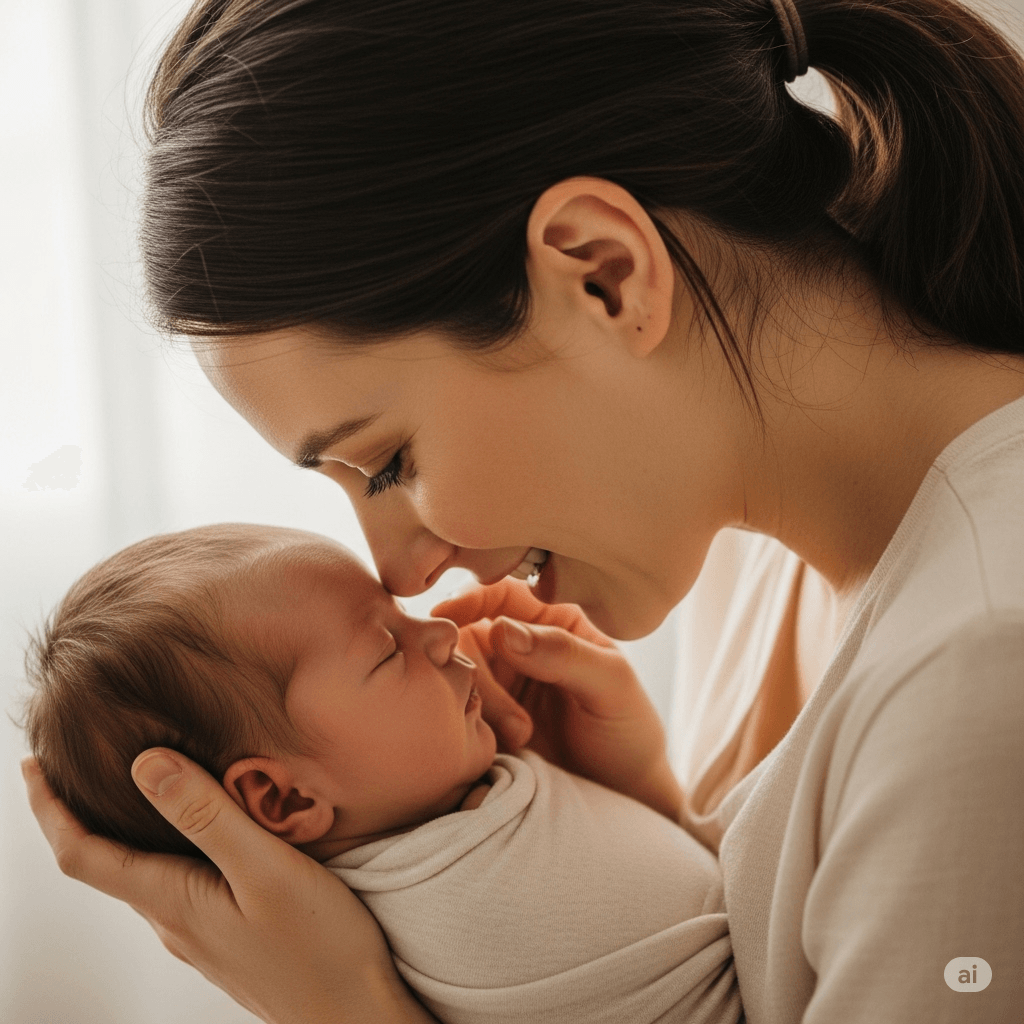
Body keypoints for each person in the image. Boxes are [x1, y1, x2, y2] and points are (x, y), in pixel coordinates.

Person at [22, 0, 1024, 1021]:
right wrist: (634, 817)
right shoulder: (749, 541)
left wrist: (350, 1008)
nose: (403, 577)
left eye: (390, 461)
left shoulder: (982, 669)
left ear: (602, 272)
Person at [22, 523, 740, 1024]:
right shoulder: (441, 910)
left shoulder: (444, 807)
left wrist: (640, 779)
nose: (440, 633)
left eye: (402, 616)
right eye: (386, 649)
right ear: (282, 796)